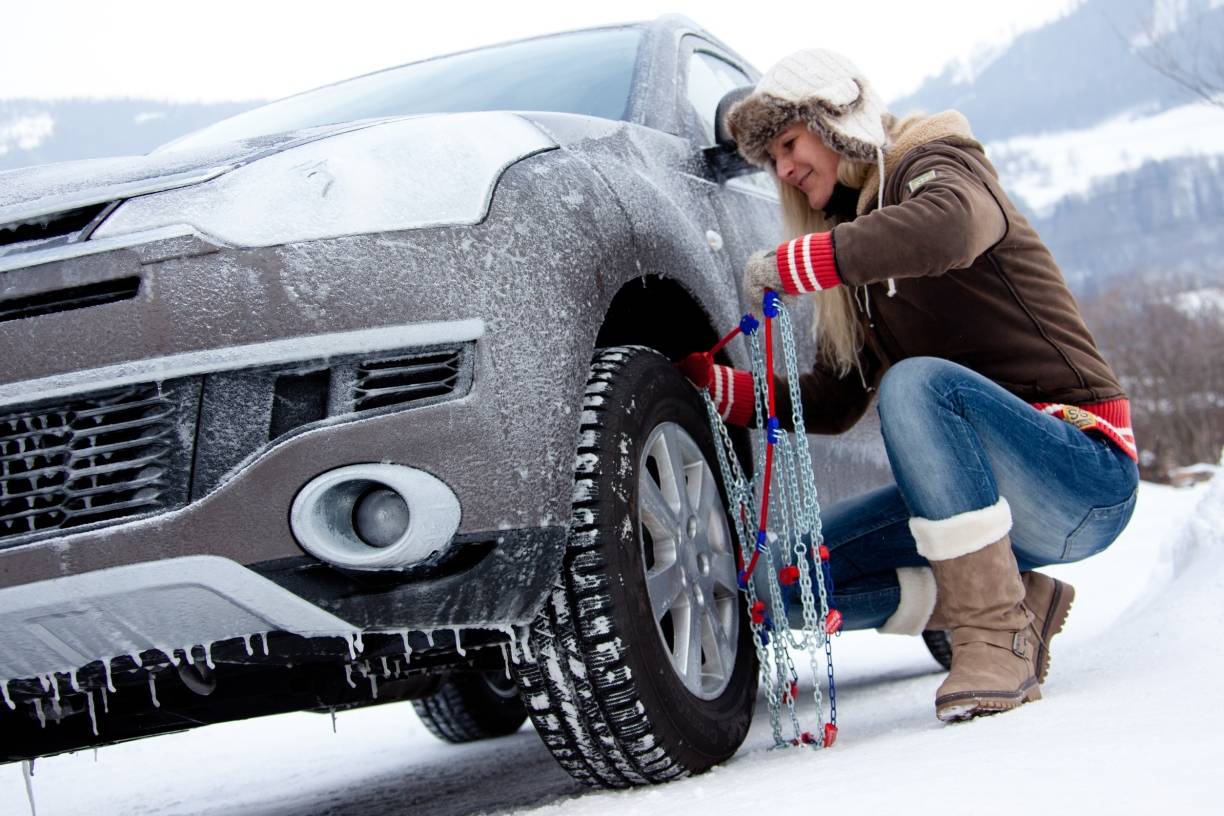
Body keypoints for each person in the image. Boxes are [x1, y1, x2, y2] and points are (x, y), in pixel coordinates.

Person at [680, 49, 1139, 722]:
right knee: (781, 581)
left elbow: (952, 226)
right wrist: (720, 391)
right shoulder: (861, 272)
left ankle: (992, 636)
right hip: (990, 503)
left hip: (1081, 471)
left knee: (917, 386)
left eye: (788, 143)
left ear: (836, 120)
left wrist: (806, 262)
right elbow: (833, 403)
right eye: (772, 160)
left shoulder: (934, 165)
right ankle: (1018, 600)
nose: (783, 169)